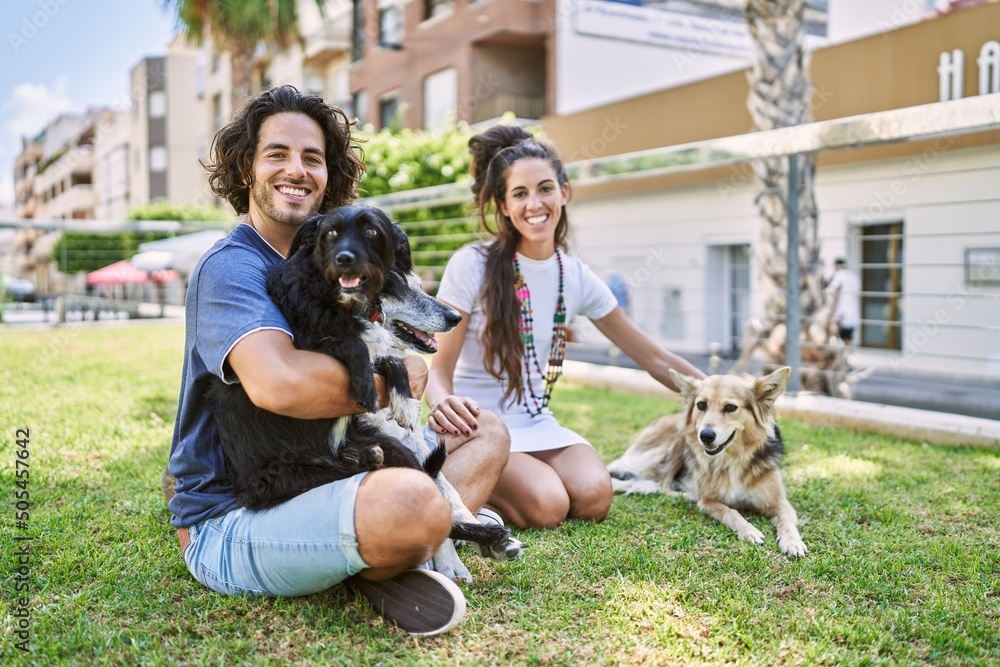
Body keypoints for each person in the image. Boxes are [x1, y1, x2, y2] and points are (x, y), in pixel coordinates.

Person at [165, 86, 510, 636]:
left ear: (330, 174)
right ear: (245, 166)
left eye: (313, 157)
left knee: (487, 433)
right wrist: (395, 373)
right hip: (238, 514)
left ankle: (374, 546)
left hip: (333, 459)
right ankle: (393, 543)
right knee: (413, 502)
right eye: (276, 153)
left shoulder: (332, 261)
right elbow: (280, 386)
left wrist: (407, 370)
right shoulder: (231, 269)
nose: (296, 170)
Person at [423, 125, 704, 530]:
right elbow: (439, 367)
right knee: (548, 505)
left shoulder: (573, 275)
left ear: (564, 193)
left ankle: (496, 490)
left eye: (545, 189)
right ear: (502, 205)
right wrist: (442, 402)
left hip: (536, 422)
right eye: (519, 194)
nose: (534, 204)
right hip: (478, 426)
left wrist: (722, 394)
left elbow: (653, 355)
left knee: (594, 495)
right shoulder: (471, 265)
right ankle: (472, 488)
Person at [826, 258, 861, 347]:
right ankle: (848, 355)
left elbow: (831, 291)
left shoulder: (839, 275)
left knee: (837, 337)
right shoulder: (854, 276)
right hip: (852, 313)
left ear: (838, 265)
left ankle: (843, 356)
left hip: (841, 313)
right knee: (848, 339)